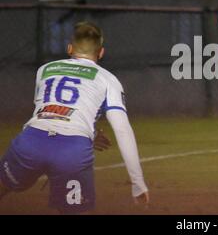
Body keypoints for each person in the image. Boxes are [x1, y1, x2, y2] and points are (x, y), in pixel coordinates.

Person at [0, 21, 149, 214]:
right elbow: (122, 129)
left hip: (31, 141)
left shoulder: (45, 69)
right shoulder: (108, 79)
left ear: (69, 48)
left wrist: (90, 131)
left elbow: (50, 110)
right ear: (101, 52)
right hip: (72, 151)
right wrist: (137, 182)